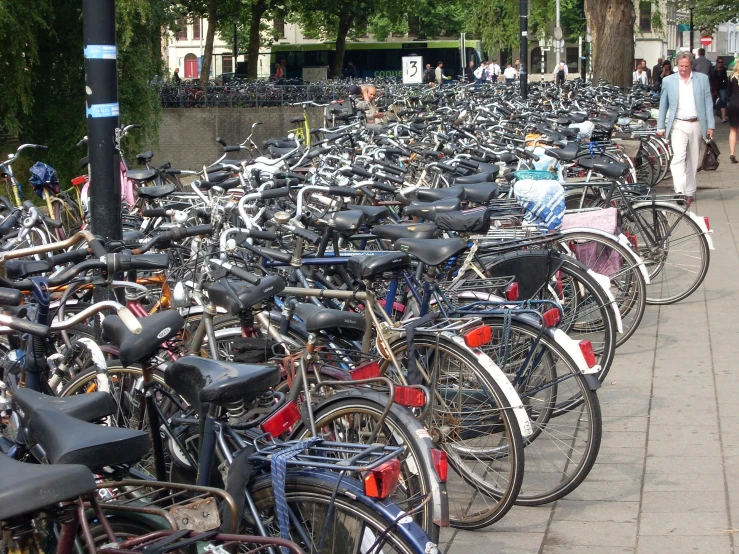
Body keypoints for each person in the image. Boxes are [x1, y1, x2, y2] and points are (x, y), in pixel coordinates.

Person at [657, 50, 715, 204]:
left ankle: (689, 191)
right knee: (678, 157)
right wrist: (660, 126)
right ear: (677, 65)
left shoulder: (702, 79)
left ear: (691, 65)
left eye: (686, 66)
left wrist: (711, 125)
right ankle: (680, 191)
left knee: (693, 159)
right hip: (678, 123)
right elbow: (663, 105)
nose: (683, 69)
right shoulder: (669, 81)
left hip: (696, 123)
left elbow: (708, 103)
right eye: (681, 66)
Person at [726, 62, 739, 162]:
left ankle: (732, 154)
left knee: (733, 130)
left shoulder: (732, 77)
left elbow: (728, 93)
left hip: (733, 104)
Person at [711, 57, 728, 123]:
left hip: (722, 87)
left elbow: (725, 79)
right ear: (717, 62)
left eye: (721, 62)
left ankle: (723, 118)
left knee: (723, 100)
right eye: (719, 62)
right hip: (714, 87)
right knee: (712, 102)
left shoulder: (724, 69)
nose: (720, 64)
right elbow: (711, 78)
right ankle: (712, 118)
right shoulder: (713, 69)